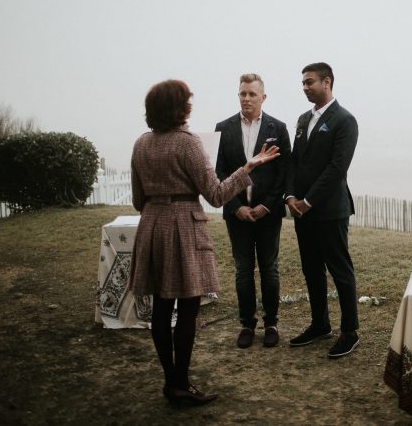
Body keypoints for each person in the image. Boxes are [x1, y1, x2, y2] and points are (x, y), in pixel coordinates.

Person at [129, 79, 280, 406]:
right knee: (187, 308)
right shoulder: (187, 143)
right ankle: (181, 385)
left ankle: (171, 382)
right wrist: (249, 166)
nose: (191, 106)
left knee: (161, 308)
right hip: (183, 228)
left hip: (151, 226)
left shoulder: (141, 144)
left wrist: (158, 207)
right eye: (187, 101)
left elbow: (137, 200)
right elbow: (215, 195)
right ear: (177, 108)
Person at [285, 62, 360, 358]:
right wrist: (291, 196)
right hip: (302, 211)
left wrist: (309, 200)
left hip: (330, 210)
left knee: (340, 270)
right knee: (311, 269)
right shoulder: (303, 119)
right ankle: (320, 324)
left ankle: (350, 331)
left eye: (310, 82)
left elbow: (337, 167)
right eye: (303, 83)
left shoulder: (345, 120)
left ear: (327, 82)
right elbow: (294, 160)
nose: (305, 87)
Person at [215, 73, 291, 349]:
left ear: (263, 97)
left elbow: (284, 172)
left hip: (267, 213)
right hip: (237, 214)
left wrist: (267, 205)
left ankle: (271, 322)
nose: (246, 98)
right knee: (243, 269)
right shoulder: (223, 128)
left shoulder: (278, 128)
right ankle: (247, 324)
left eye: (251, 94)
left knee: (269, 268)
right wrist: (235, 208)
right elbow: (219, 172)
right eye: (242, 93)